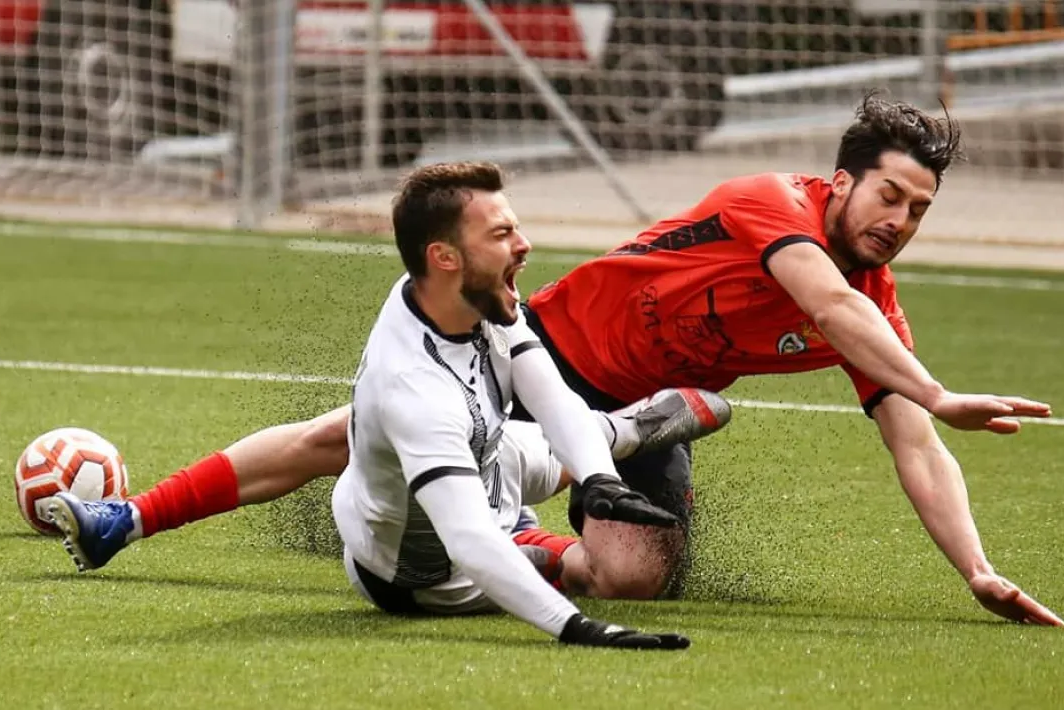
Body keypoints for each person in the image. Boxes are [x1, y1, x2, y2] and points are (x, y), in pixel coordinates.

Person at [51, 91, 1064, 627]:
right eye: (887, 196)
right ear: (839, 182)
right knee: (342, 432)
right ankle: (126, 517)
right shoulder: (773, 202)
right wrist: (932, 386)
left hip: (644, 406)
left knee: (626, 577)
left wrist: (975, 566)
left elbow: (915, 446)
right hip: (545, 349)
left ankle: (528, 517)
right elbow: (824, 299)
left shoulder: (872, 308)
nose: (899, 221)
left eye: (919, 210)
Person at [47, 161, 733, 648]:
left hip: (477, 456)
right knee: (609, 575)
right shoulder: (416, 386)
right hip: (425, 572)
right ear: (443, 256)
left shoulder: (476, 293)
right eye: (502, 234)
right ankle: (560, 522)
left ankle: (614, 436)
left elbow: (542, 388)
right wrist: (574, 626)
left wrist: (602, 482)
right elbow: (468, 542)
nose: (523, 244)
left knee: (347, 431)